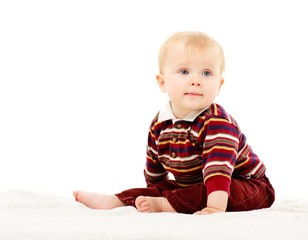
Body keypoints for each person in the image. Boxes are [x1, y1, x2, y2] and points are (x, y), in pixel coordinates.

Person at [73, 31, 275, 215]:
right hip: (192, 185)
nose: (196, 80)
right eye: (184, 72)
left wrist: (214, 208)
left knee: (214, 191)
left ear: (219, 84)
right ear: (162, 82)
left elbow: (218, 171)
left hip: (245, 185)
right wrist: (153, 191)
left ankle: (165, 206)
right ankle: (118, 200)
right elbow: (154, 168)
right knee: (173, 190)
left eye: (206, 73)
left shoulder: (217, 122)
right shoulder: (160, 124)